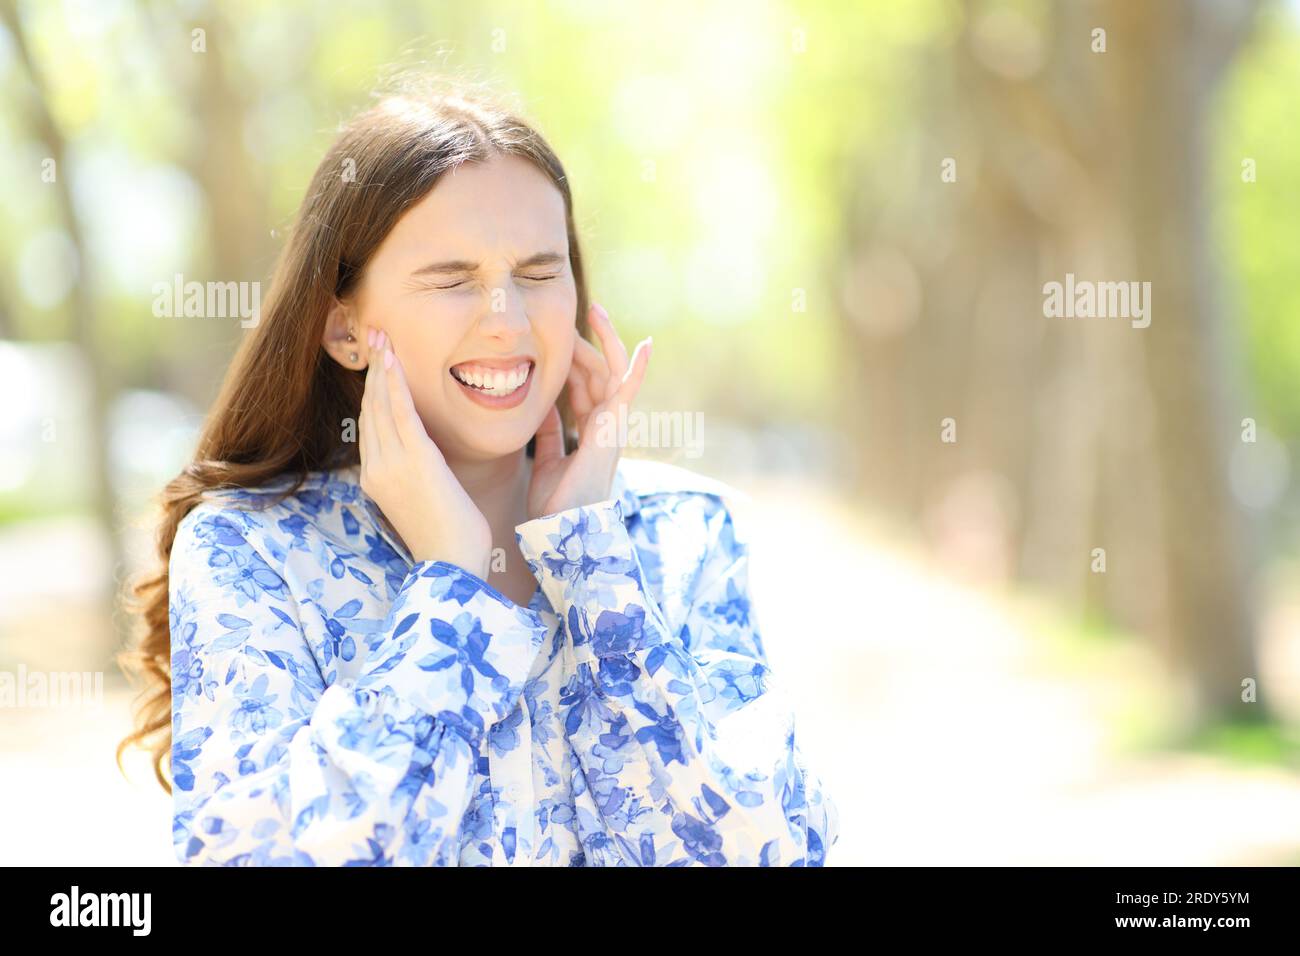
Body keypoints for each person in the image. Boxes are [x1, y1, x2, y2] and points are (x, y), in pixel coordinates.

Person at [117, 81, 840, 866]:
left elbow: (774, 849)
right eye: (452, 277)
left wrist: (592, 565)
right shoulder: (249, 552)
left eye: (537, 273)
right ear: (343, 326)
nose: (506, 318)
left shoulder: (685, 530)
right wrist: (451, 594)